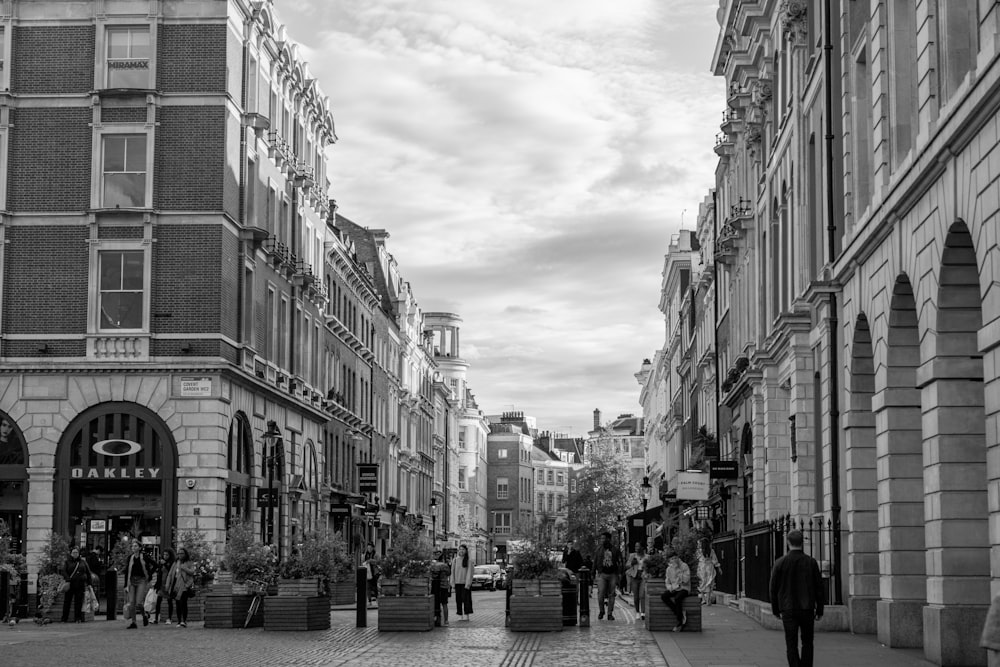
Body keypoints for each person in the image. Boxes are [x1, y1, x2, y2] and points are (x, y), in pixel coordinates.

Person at [769, 530, 824, 667]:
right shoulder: (811, 562)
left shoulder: (780, 563)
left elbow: (773, 589)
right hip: (807, 608)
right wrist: (820, 610)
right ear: (802, 543)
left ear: (788, 542)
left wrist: (775, 609)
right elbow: (819, 588)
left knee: (791, 642)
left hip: (787, 608)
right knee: (807, 642)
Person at [123, 540, 154, 629]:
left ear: (140, 548)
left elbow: (155, 565)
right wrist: (126, 585)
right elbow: (127, 571)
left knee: (139, 602)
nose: (134, 548)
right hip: (132, 580)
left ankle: (144, 615)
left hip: (141, 580)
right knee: (132, 602)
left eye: (136, 546)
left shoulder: (144, 556)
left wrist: (149, 574)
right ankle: (134, 622)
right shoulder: (130, 558)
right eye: (133, 546)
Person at [592, 531, 623, 620]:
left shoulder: (615, 550)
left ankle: (610, 614)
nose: (602, 540)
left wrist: (620, 573)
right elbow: (595, 561)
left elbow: (620, 562)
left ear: (608, 539)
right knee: (600, 594)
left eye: (603, 538)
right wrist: (593, 573)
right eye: (601, 538)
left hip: (613, 574)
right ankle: (602, 611)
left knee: (612, 594)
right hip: (602, 574)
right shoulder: (598, 550)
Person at [60, 546, 93, 623]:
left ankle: (78, 618)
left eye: (76, 552)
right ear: (71, 554)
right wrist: (68, 579)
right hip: (70, 584)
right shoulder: (67, 562)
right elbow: (63, 571)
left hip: (80, 584)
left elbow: (88, 573)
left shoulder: (83, 562)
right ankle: (64, 618)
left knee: (78, 602)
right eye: (73, 552)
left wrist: (89, 583)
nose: (75, 554)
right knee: (67, 602)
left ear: (79, 553)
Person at [166, 547, 196, 628]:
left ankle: (184, 621)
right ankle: (179, 621)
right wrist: (167, 585)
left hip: (184, 586)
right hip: (176, 585)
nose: (180, 555)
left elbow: (192, 572)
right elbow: (170, 574)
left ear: (185, 554)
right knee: (177, 603)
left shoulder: (189, 562)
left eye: (182, 553)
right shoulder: (176, 563)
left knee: (183, 603)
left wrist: (184, 568)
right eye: (179, 553)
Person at [660, 551, 691, 632]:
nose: (674, 560)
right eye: (672, 559)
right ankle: (680, 614)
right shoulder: (669, 569)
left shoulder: (684, 566)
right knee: (664, 596)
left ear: (678, 558)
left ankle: (679, 622)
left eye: (675, 558)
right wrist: (670, 587)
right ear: (670, 560)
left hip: (684, 588)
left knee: (678, 598)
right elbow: (667, 581)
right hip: (674, 588)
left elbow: (686, 580)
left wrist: (678, 571)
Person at [450, 544, 474, 621]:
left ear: (466, 551)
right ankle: (460, 614)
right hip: (457, 583)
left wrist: (468, 583)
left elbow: (470, 573)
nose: (461, 551)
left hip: (465, 583)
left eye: (463, 549)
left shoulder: (469, 560)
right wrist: (452, 583)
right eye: (460, 549)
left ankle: (467, 614)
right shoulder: (455, 560)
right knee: (458, 600)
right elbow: (452, 572)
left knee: (466, 600)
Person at [152, 548, 176, 624]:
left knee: (169, 601)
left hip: (168, 584)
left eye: (167, 555)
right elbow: (159, 573)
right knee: (158, 601)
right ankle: (156, 618)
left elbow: (171, 571)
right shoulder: (161, 563)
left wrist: (165, 564)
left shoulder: (172, 563)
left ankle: (169, 618)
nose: (165, 556)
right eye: (164, 554)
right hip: (161, 584)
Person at [697, 538, 721, 605]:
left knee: (702, 583)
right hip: (709, 567)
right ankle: (708, 599)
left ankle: (703, 599)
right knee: (709, 583)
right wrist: (718, 568)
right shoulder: (711, 551)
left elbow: (696, 558)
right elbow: (715, 560)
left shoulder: (699, 551)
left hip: (702, 567)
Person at [430, 548, 451, 626]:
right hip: (443, 586)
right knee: (444, 603)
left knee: (435, 603)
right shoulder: (444, 565)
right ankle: (446, 621)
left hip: (435, 586)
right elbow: (449, 573)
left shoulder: (432, 565)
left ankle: (436, 619)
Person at [626, 543, 646, 617]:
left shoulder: (647, 557)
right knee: (636, 596)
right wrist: (632, 563)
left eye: (638, 546)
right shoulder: (632, 556)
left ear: (642, 547)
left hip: (643, 577)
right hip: (634, 577)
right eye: (635, 546)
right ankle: (637, 612)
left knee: (642, 595)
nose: (636, 548)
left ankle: (643, 612)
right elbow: (627, 565)